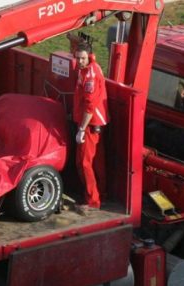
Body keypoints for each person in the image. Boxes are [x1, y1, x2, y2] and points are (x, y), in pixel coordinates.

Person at [72, 42, 108, 215]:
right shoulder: (89, 67)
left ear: (89, 56)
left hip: (90, 125)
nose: (79, 61)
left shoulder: (90, 76)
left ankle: (93, 201)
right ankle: (100, 194)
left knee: (85, 163)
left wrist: (81, 129)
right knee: (96, 162)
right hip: (94, 124)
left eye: (82, 58)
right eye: (77, 58)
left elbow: (89, 106)